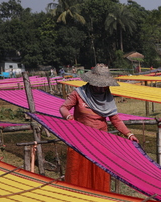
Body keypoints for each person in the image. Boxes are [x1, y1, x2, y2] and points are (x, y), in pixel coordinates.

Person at [59, 63, 139, 192]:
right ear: (91, 82)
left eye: (104, 85)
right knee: (78, 172)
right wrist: (69, 118)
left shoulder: (107, 97)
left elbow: (115, 120)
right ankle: (78, 197)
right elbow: (63, 108)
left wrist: (129, 134)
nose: (102, 88)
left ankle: (99, 196)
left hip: (101, 142)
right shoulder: (79, 94)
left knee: (99, 173)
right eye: (99, 85)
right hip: (80, 141)